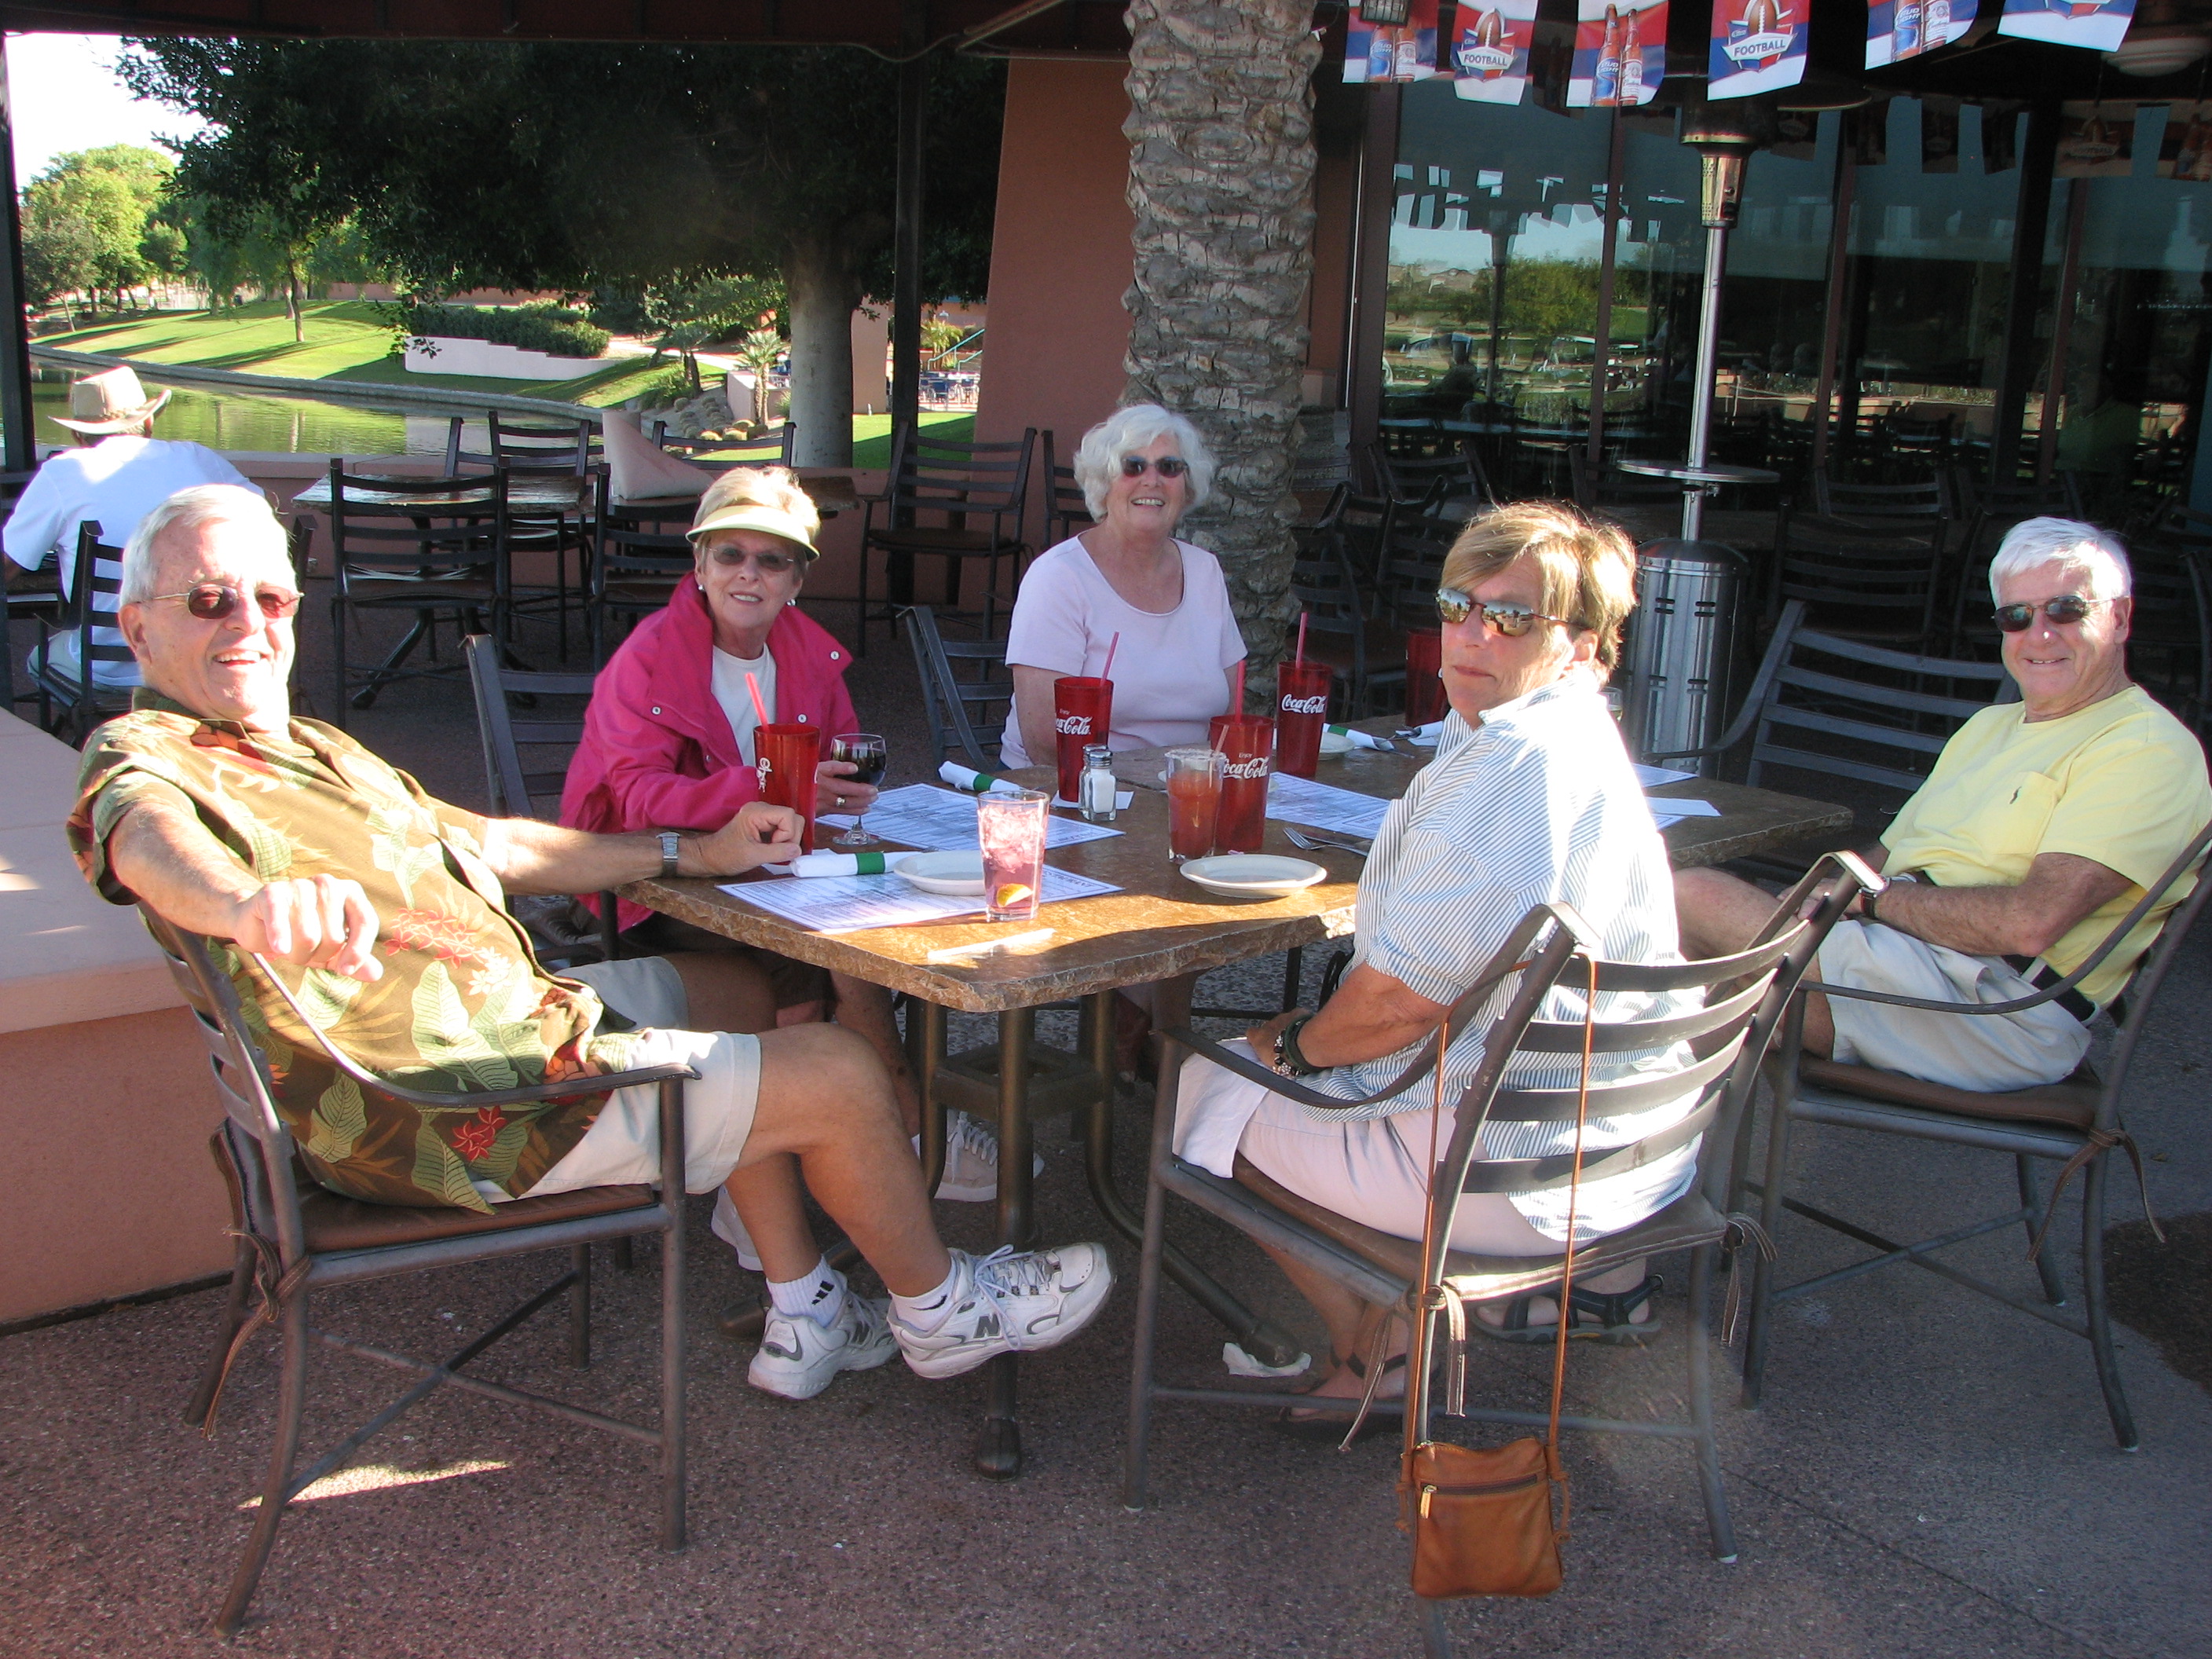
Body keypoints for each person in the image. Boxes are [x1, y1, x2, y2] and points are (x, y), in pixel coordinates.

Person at [70, 483, 1111, 1405]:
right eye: (210, 600)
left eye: (271, 598)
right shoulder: (145, 757)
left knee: (740, 993)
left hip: (518, 1028)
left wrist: (693, 851)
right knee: (836, 1068)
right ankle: (941, 1309)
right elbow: (145, 842)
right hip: (461, 1106)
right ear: (136, 627)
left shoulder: (310, 747)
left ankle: (807, 1311)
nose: (248, 623)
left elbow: (497, 844)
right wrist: (247, 902)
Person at [1173, 503, 1699, 1430]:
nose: (1471, 635)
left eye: (1512, 617)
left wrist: (1291, 1050)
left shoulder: (1516, 763)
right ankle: (1393, 1316)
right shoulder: (1572, 736)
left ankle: (1378, 1347)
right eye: (1459, 607)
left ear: (1580, 647)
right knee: (1269, 1064)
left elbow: (1398, 1005)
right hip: (1637, 1145)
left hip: (1527, 1174)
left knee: (1203, 1088)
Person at [560, 466, 1013, 1217]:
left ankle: (851, 1134)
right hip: (653, 875)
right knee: (810, 959)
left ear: (797, 579)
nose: (750, 573)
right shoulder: (649, 657)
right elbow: (637, 798)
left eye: (772, 560)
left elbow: (836, 758)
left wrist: (838, 794)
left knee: (877, 930)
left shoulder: (808, 654)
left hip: (774, 865)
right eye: (730, 554)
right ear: (699, 563)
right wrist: (770, 790)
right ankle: (878, 1132)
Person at [1677, 517, 2210, 1091]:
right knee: (1662, 976)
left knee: (1680, 897)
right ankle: (1650, 1124)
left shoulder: (2145, 749)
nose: (2040, 635)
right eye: (2016, 616)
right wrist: (1818, 891)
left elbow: (2031, 923)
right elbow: (1888, 854)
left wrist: (1869, 899)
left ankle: (1646, 1111)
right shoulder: (1991, 725)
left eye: (2066, 610)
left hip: (1998, 1010)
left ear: (2120, 618)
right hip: (1905, 965)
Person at [998, 403, 1247, 768]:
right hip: (1074, 784)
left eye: (1169, 467)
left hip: (1187, 784)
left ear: (1187, 486)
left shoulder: (1204, 570)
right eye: (1133, 466)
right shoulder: (1059, 577)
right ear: (1104, 482)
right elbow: (1047, 745)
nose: (1152, 480)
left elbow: (1232, 715)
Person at [2, 365, 253, 690]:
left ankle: (86, 723)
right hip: (200, 663)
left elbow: (7, 565)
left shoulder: (62, 473)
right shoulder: (200, 460)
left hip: (103, 669)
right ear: (148, 422)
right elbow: (265, 519)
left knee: (40, 659)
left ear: (78, 436)